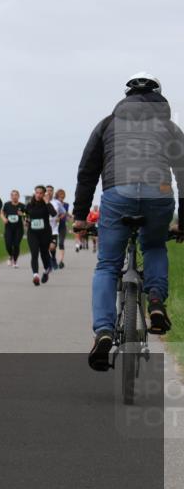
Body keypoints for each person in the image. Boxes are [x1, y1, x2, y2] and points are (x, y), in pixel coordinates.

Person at [71, 73, 184, 371]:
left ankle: (104, 331)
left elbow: (87, 171)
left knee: (108, 264)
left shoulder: (108, 124)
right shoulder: (170, 128)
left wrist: (80, 218)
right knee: (155, 246)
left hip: (117, 195)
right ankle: (156, 304)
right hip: (159, 194)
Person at [24, 185, 57, 286]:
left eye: (40, 193)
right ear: (34, 193)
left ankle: (47, 270)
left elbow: (54, 214)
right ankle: (35, 276)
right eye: (36, 192)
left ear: (44, 194)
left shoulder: (47, 205)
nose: (38, 195)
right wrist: (26, 220)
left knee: (44, 254)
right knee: (34, 253)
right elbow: (25, 215)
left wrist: (47, 203)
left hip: (45, 233)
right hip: (32, 233)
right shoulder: (29, 205)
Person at [1, 189, 26, 268]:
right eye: (12, 195)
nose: (14, 197)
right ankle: (10, 256)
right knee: (8, 244)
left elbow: (27, 215)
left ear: (18, 196)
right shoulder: (7, 205)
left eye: (16, 195)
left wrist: (22, 214)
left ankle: (15, 261)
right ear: (11, 196)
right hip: (9, 228)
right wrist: (4, 219)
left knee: (16, 245)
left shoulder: (22, 206)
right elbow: (1, 213)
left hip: (18, 228)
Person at [55, 189, 70, 268]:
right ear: (57, 196)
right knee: (53, 243)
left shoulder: (66, 204)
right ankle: (53, 259)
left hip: (62, 225)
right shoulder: (53, 204)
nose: (62, 197)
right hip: (54, 225)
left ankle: (61, 261)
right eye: (60, 195)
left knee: (61, 243)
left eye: (63, 196)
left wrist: (60, 218)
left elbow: (65, 213)